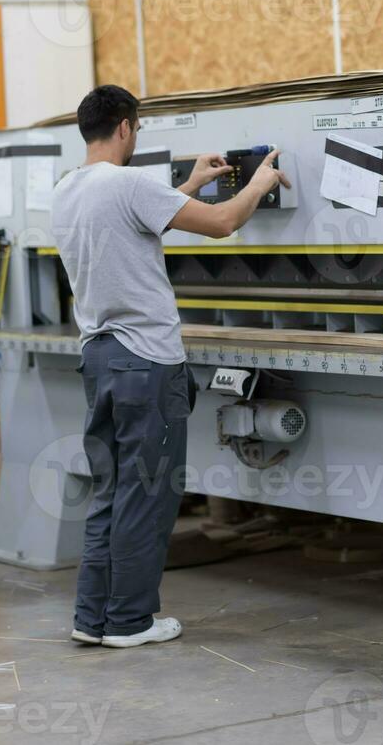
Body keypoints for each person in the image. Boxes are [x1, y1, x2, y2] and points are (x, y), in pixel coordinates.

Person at [51, 84, 290, 649]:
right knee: (149, 493)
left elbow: (134, 224)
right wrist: (258, 182)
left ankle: (93, 618)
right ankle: (131, 622)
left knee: (111, 489)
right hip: (146, 361)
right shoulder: (130, 183)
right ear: (127, 127)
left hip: (101, 358)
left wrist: (190, 186)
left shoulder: (67, 190)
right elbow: (224, 223)